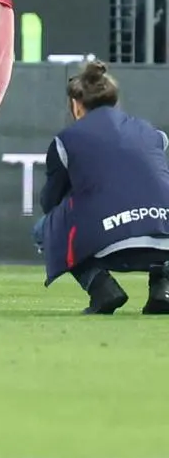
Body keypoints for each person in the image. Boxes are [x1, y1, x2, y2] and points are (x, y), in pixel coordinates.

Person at [38, 61, 169, 315]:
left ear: (76, 105)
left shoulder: (66, 141)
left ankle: (101, 287)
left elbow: (50, 203)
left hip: (109, 245)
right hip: (164, 240)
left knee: (43, 227)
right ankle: (162, 287)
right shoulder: (154, 134)